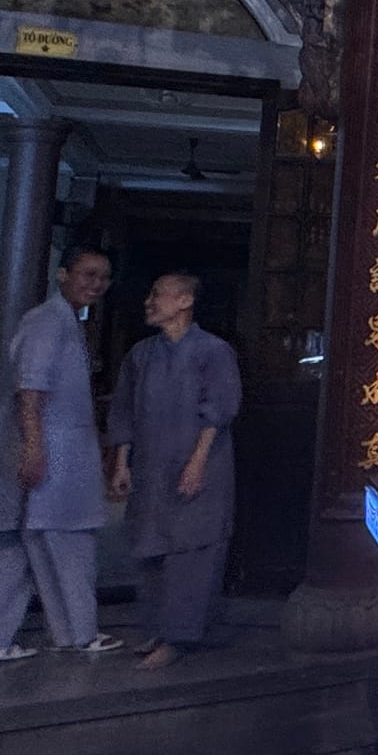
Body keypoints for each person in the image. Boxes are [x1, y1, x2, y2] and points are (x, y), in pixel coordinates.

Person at [0, 246, 121, 665]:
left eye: (103, 277)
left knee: (21, 547)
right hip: (47, 450)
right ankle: (71, 633)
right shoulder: (46, 323)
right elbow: (31, 389)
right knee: (56, 542)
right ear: (63, 274)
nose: (96, 284)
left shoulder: (63, 322)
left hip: (52, 448)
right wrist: (33, 447)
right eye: (88, 274)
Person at [107, 272, 243, 669]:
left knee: (192, 554)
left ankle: (180, 635)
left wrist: (198, 462)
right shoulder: (141, 355)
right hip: (151, 468)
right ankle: (157, 628)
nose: (149, 302)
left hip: (199, 465)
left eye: (157, 294)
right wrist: (121, 462)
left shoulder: (213, 351)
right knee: (151, 549)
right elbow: (125, 410)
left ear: (184, 301)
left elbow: (219, 410)